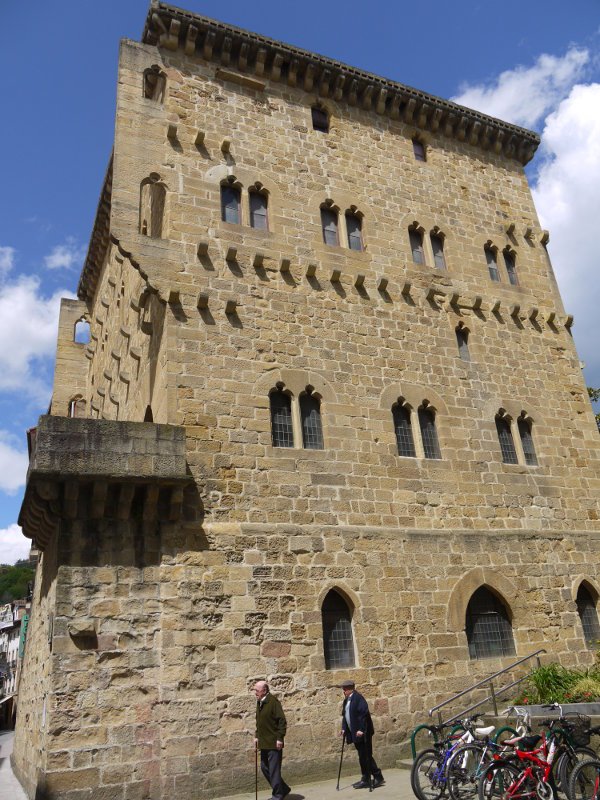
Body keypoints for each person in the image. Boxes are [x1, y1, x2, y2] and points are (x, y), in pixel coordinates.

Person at [340, 679, 385, 789]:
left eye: (344, 689)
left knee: (366, 756)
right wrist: (344, 728)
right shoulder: (347, 700)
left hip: (363, 733)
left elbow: (364, 714)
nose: (343, 691)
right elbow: (345, 716)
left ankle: (378, 777)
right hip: (355, 733)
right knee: (362, 757)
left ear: (349, 689)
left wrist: (361, 729)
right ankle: (365, 778)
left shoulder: (358, 698)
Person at [254, 680, 291, 800]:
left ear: (264, 690)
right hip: (264, 742)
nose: (255, 693)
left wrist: (280, 738)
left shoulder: (273, 702)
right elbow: (259, 722)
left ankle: (278, 795)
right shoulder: (259, 702)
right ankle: (283, 789)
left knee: (274, 770)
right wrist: (256, 736)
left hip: (274, 742)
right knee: (264, 768)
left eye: (257, 690)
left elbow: (282, 721)